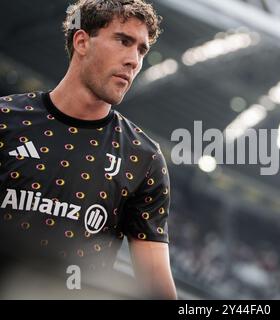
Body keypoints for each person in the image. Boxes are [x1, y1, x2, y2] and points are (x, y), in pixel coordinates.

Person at [0, 0, 177, 299]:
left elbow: (157, 287)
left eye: (141, 50)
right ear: (82, 41)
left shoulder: (143, 158)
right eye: (123, 41)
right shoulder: (6, 120)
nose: (134, 60)